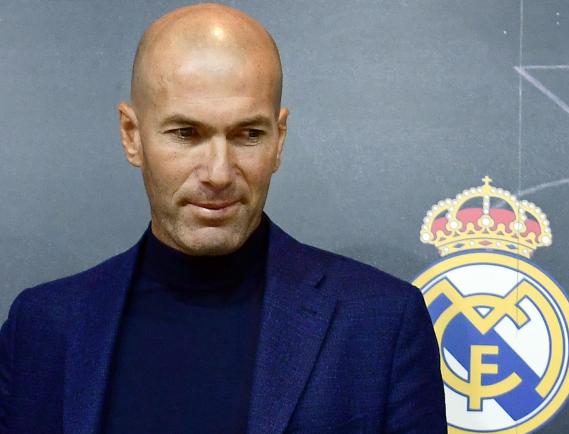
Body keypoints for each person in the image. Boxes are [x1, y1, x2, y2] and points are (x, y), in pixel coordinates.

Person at [0, 3, 446, 433]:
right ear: (132, 135)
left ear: (279, 139)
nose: (218, 173)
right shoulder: (41, 327)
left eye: (248, 134)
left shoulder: (381, 323)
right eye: (186, 133)